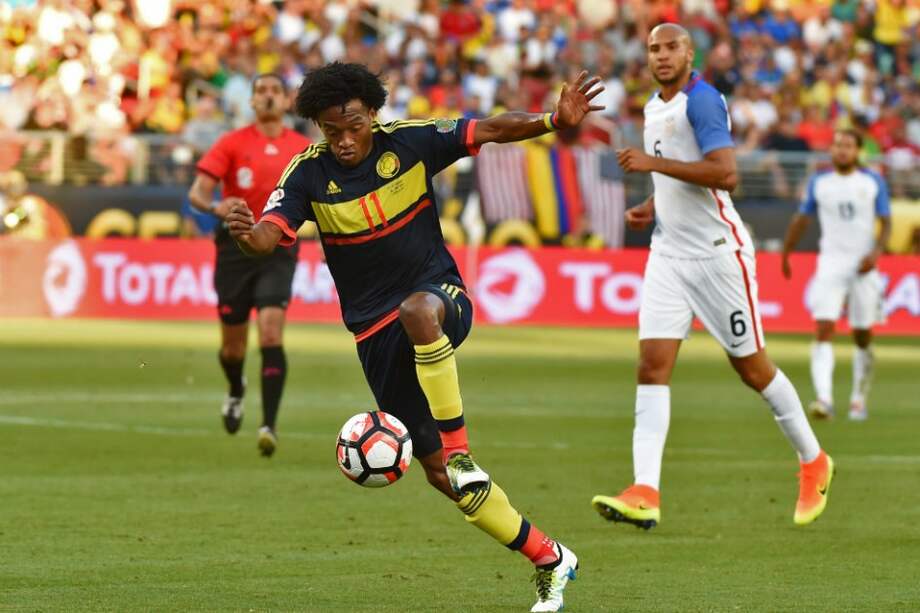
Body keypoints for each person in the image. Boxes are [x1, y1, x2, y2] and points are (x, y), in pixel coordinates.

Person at [226, 61, 603, 613]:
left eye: (354, 125)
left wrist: (553, 118)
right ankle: (549, 557)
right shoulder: (307, 174)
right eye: (332, 131)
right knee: (436, 475)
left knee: (419, 312)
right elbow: (267, 237)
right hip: (372, 334)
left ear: (372, 114)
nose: (346, 140)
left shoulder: (411, 142)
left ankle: (461, 451)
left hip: (438, 295)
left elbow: (491, 129)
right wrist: (245, 236)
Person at [591, 24, 834, 529]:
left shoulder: (701, 101)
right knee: (651, 366)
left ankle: (813, 461)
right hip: (669, 254)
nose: (661, 55)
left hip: (719, 256)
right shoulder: (655, 106)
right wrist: (653, 203)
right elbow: (680, 175)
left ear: (689, 53)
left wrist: (651, 163)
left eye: (671, 47)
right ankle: (644, 490)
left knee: (753, 371)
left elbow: (725, 174)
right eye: (654, 48)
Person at [187, 73, 311, 457]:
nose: (269, 97)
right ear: (252, 102)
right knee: (232, 349)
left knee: (271, 334)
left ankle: (268, 425)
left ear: (286, 100)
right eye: (262, 91)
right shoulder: (231, 143)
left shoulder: (303, 148)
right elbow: (198, 194)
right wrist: (215, 206)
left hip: (280, 245)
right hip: (234, 249)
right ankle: (236, 388)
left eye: (275, 91)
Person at [781, 129, 891, 421]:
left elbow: (886, 221)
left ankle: (858, 399)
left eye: (848, 146)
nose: (842, 150)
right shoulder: (820, 182)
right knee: (823, 327)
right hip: (830, 262)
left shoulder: (872, 181)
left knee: (862, 335)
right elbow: (802, 218)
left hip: (863, 264)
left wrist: (877, 253)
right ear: (831, 150)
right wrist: (786, 252)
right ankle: (824, 399)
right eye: (838, 145)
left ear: (857, 151)